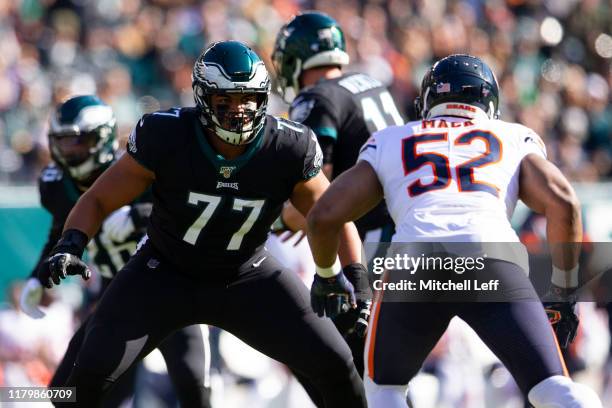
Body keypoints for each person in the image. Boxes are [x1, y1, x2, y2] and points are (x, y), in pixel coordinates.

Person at [39, 41, 368, 407]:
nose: (239, 110)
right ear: (203, 97)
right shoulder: (166, 134)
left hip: (246, 274)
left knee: (336, 363)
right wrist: (70, 243)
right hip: (162, 272)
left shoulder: (288, 145)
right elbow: (99, 198)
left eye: (248, 99)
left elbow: (329, 213)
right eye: (226, 99)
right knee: (86, 377)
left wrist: (354, 278)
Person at [306, 54, 602, 407]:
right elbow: (564, 202)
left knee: (384, 391)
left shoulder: (392, 138)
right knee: (552, 388)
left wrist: (327, 275)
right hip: (491, 258)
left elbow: (323, 215)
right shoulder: (511, 136)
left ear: (429, 100)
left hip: (415, 261)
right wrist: (564, 290)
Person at [19, 95, 212, 408]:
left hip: (172, 288)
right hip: (118, 294)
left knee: (194, 390)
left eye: (79, 142)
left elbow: (188, 207)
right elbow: (61, 231)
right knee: (67, 394)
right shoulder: (56, 184)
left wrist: (138, 215)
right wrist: (37, 278)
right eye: (64, 142)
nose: (70, 151)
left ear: (103, 138)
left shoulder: (137, 168)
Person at [271, 10, 403, 382]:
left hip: (379, 240)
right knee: (381, 367)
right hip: (408, 228)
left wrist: (275, 220)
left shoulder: (316, 99)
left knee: (358, 364)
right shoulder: (369, 82)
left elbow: (319, 200)